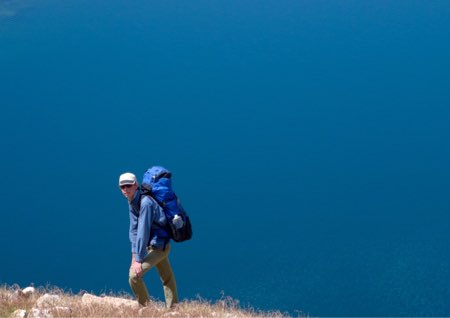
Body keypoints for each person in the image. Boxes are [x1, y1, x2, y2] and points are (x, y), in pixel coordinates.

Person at [118, 172, 178, 308]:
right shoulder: (132, 200)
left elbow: (142, 232)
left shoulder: (146, 203)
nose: (125, 190)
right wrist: (134, 256)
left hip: (160, 246)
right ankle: (174, 309)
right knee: (167, 277)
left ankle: (146, 309)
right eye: (122, 187)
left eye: (128, 186)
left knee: (134, 276)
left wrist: (138, 259)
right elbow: (133, 230)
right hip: (153, 245)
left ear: (136, 185)